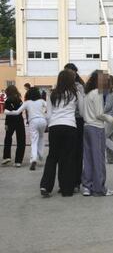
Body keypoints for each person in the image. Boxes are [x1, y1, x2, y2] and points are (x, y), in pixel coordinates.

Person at [39, 70, 84, 198]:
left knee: (52, 157)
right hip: (70, 126)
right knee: (68, 158)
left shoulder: (52, 94)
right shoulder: (76, 93)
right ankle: (66, 189)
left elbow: (48, 115)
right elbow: (81, 112)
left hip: (54, 127)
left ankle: (45, 186)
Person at [82, 70, 113, 197]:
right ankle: (100, 188)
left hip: (87, 127)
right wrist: (110, 118)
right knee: (99, 159)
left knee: (88, 158)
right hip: (96, 127)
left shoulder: (88, 93)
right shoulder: (97, 94)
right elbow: (99, 114)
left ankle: (87, 186)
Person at [5, 87, 47, 171]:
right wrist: (44, 112)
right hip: (43, 121)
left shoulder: (27, 102)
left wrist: (7, 112)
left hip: (33, 122)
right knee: (41, 137)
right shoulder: (42, 101)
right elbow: (47, 108)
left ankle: (33, 159)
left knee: (34, 141)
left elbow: (17, 112)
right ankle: (41, 155)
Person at [64, 63, 85, 192]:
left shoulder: (79, 87)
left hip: (77, 120)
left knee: (77, 152)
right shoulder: (61, 87)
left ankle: (77, 181)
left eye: (71, 72)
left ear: (75, 73)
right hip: (66, 121)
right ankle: (67, 180)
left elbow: (81, 107)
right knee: (66, 153)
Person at [2, 85, 26, 167]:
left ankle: (6, 157)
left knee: (8, 138)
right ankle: (18, 161)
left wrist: (6, 124)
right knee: (21, 140)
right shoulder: (19, 100)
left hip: (10, 121)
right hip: (19, 121)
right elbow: (21, 111)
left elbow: (7, 113)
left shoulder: (8, 100)